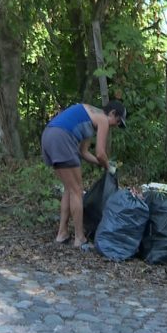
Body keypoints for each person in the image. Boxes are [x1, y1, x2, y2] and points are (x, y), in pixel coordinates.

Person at [41, 101, 127, 248]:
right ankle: (79, 238)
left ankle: (62, 234)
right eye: (118, 121)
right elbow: (100, 153)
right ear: (112, 113)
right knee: (77, 190)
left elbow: (84, 152)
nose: (116, 126)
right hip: (62, 137)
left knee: (69, 188)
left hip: (49, 135)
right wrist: (108, 167)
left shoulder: (90, 116)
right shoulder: (102, 119)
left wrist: (102, 163)